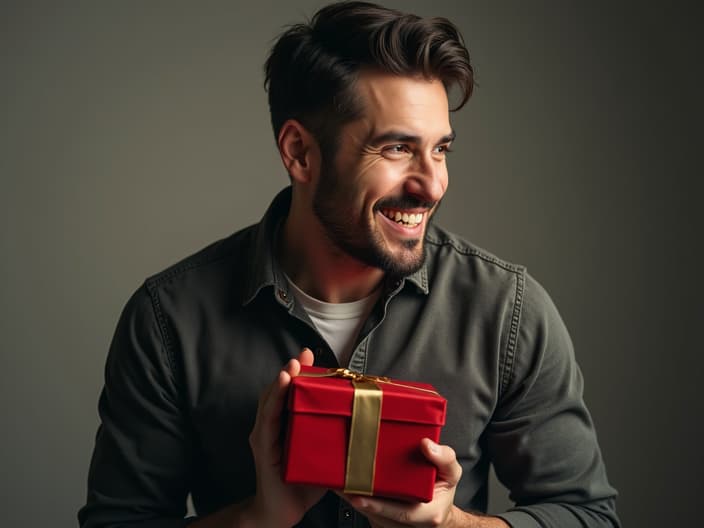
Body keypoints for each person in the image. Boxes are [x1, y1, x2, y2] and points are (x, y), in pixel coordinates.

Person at [78, 2, 619, 527]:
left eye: (440, 150)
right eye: (396, 149)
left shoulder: (506, 311)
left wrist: (451, 526)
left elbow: (588, 515)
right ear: (300, 153)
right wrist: (259, 520)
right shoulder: (169, 318)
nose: (431, 184)